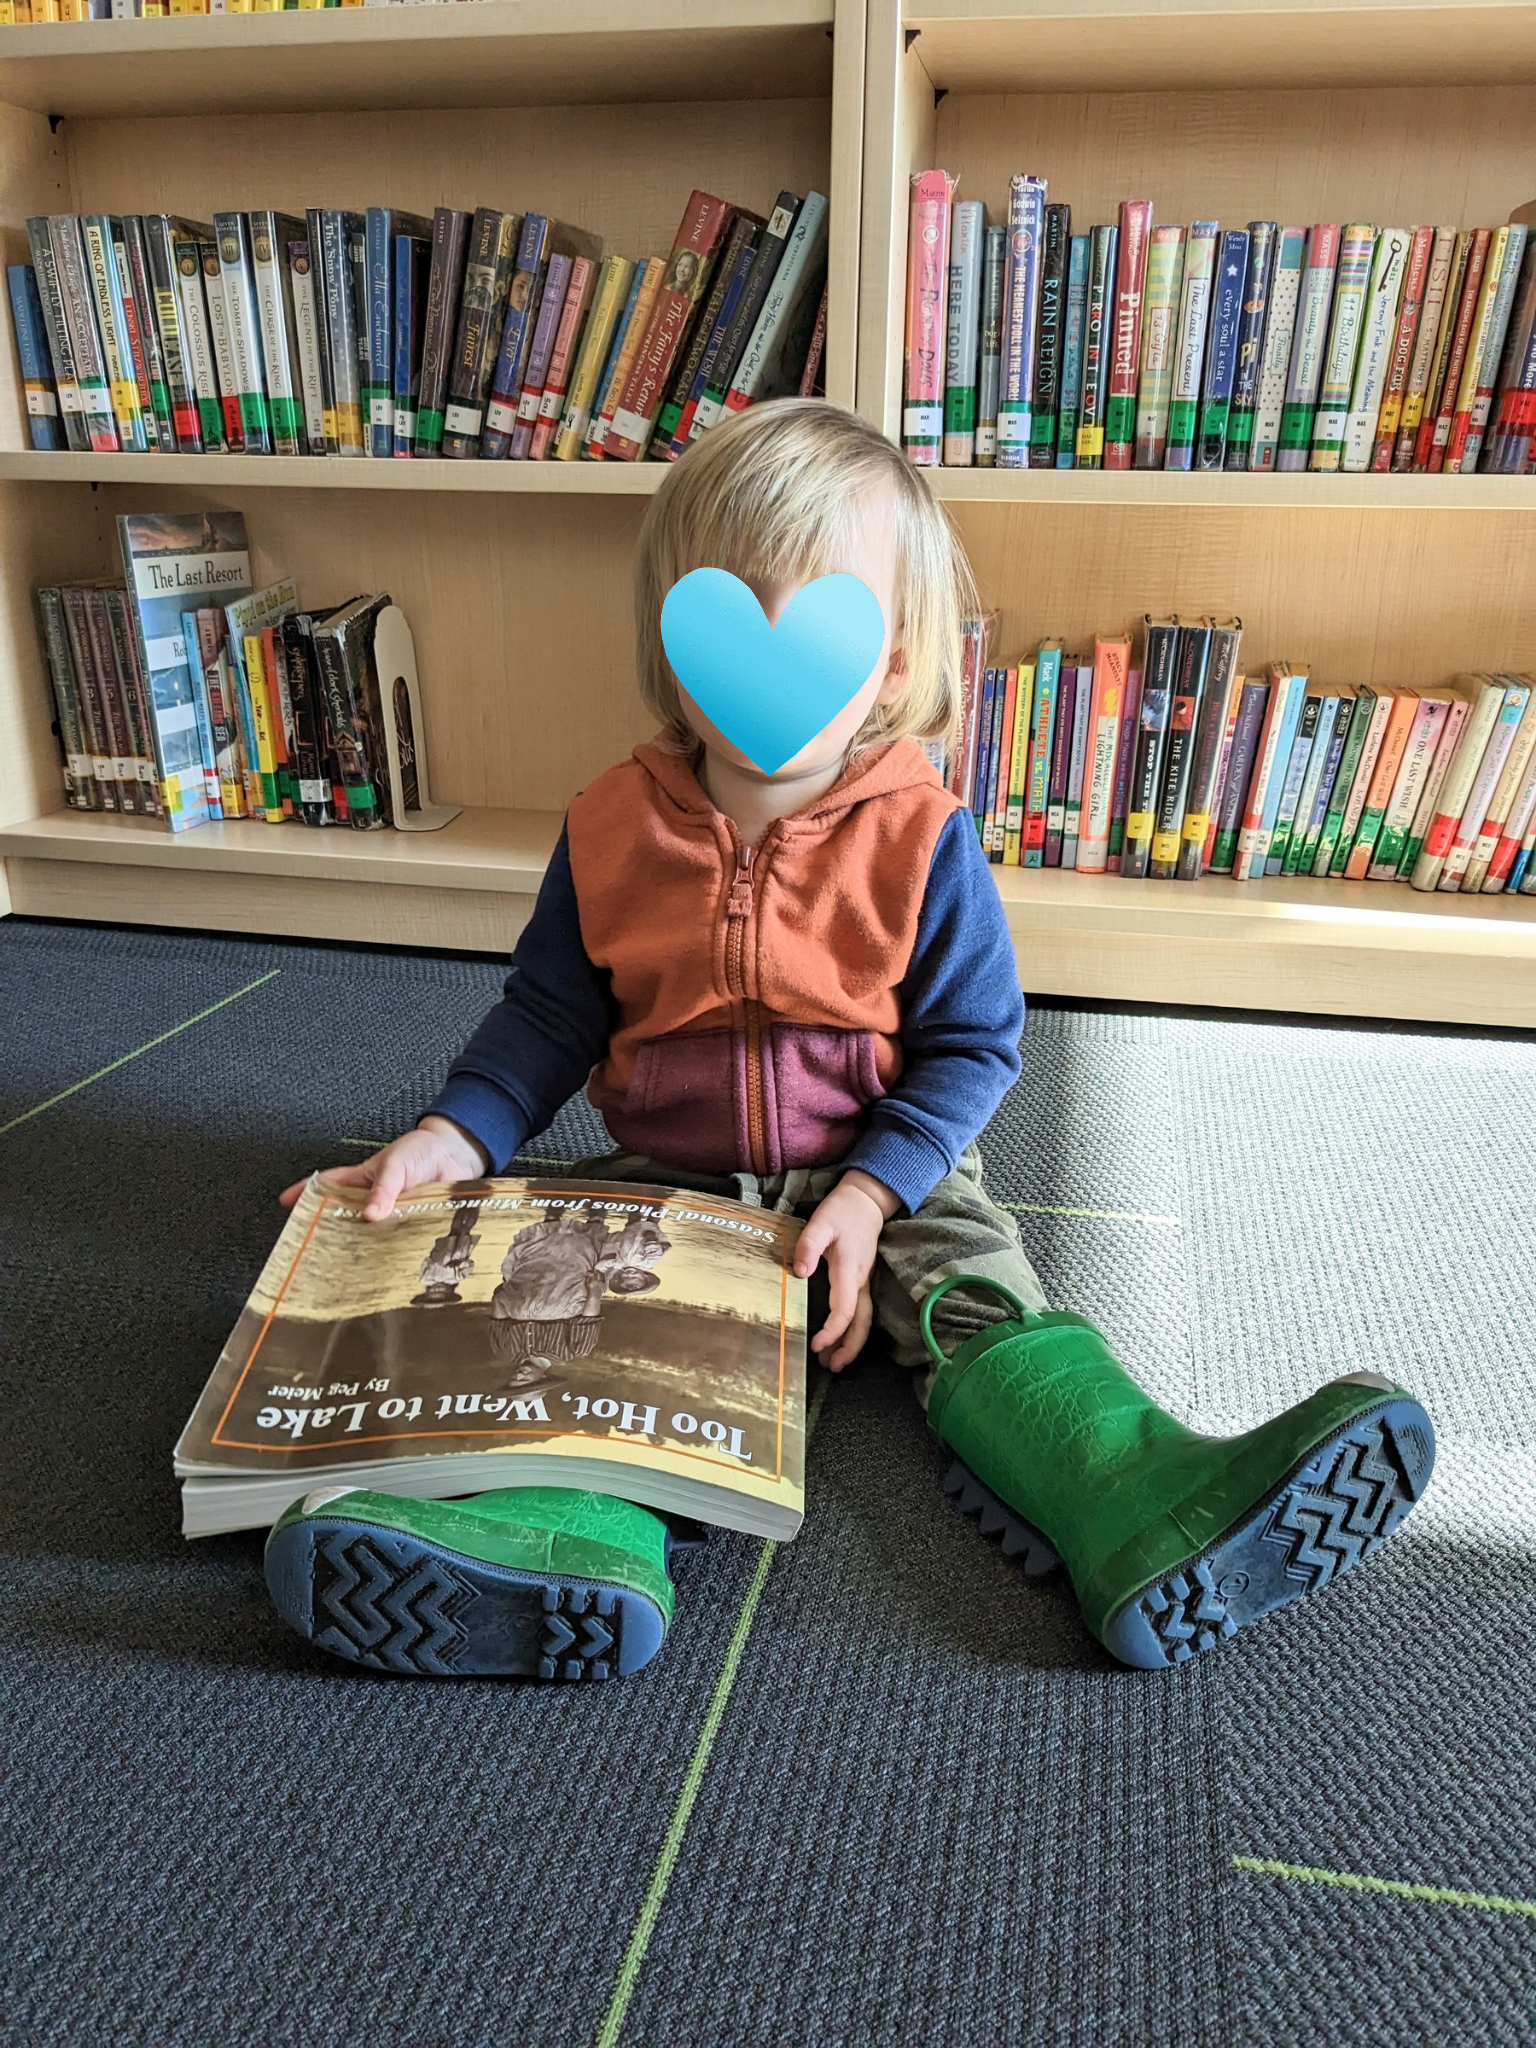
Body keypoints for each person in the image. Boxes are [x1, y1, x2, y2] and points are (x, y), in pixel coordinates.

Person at [264, 400, 1434, 1684]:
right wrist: (455, 1130)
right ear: (675, 635)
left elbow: (977, 1044)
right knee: (602, 1323)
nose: (772, 668)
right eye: (731, 611)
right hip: (679, 1180)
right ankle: (565, 1541)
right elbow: (548, 1013)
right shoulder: (608, 824)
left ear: (892, 658)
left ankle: (1137, 1493)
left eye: (823, 617)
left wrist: (878, 1190)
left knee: (977, 1295)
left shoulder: (924, 834)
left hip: (889, 1162)